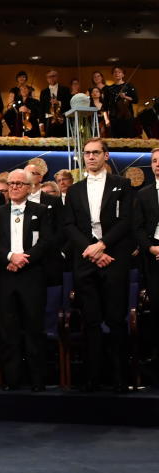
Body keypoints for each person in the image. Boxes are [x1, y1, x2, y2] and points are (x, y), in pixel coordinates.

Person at [63, 139, 135, 391]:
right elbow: (69, 225)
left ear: (106, 155)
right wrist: (92, 250)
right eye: (87, 153)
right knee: (90, 321)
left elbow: (127, 221)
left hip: (114, 258)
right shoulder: (74, 190)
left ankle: (119, 378)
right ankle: (92, 378)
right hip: (85, 261)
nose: (91, 157)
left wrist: (102, 245)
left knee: (116, 319)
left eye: (96, 153)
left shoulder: (123, 185)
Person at [0, 169, 55, 391]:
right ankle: (12, 380)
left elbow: (46, 241)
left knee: (34, 328)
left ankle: (37, 380)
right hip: (5, 275)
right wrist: (9, 257)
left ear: (29, 187)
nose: (14, 187)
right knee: (8, 330)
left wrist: (24, 259)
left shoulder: (41, 211)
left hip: (32, 276)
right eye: (11, 183)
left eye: (19, 184)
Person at [133, 148, 159, 372]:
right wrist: (150, 248)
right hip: (153, 259)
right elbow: (137, 228)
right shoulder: (143, 194)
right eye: (154, 161)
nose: (157, 164)